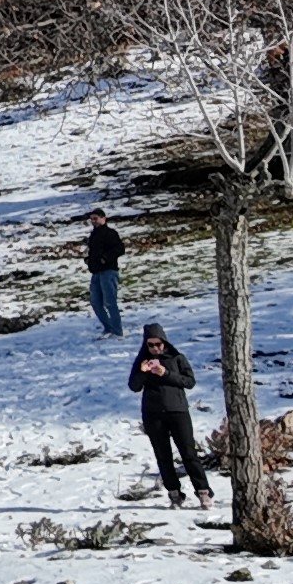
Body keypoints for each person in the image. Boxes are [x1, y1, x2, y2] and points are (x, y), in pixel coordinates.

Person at [129, 322, 212, 508]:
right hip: (153, 414)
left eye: (158, 344)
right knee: (163, 455)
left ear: (165, 342)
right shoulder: (142, 362)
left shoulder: (177, 358)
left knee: (189, 453)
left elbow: (189, 382)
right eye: (150, 345)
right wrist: (143, 373)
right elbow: (134, 386)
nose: (155, 348)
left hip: (178, 411)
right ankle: (174, 493)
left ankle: (203, 491)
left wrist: (166, 373)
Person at [81, 207, 127, 338]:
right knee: (95, 302)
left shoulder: (110, 233)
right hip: (96, 273)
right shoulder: (93, 235)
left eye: (96, 219)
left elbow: (120, 249)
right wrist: (89, 260)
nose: (93, 221)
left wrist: (105, 258)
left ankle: (117, 331)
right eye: (91, 219)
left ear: (103, 218)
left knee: (110, 302)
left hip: (109, 271)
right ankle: (108, 328)